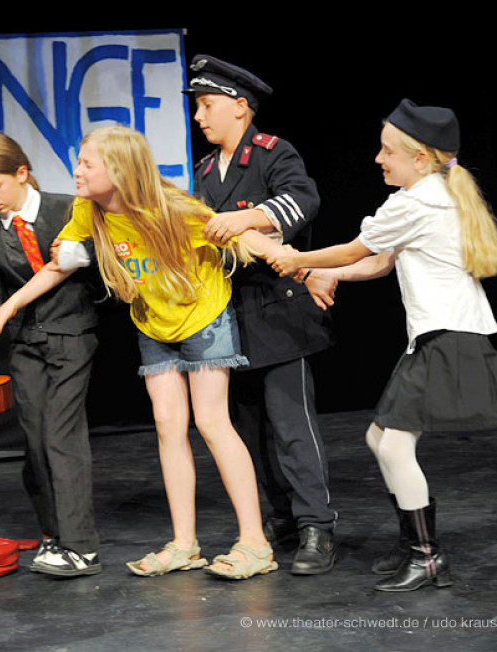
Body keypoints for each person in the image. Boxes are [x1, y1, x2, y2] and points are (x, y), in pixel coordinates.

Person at [0, 126, 289, 580]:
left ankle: (255, 544)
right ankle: (185, 544)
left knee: (211, 421)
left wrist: (306, 268)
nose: (77, 171)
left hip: (202, 317)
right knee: (167, 426)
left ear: (119, 170)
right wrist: (9, 304)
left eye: (87, 164)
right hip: (152, 321)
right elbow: (58, 265)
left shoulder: (171, 208)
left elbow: (247, 239)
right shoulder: (89, 211)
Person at [271, 99, 497, 591]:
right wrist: (322, 272)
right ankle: (413, 543)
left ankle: (427, 555)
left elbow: (357, 249)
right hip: (440, 333)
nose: (378, 159)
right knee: (380, 438)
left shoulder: (416, 202)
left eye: (387, 151)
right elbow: (378, 263)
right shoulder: (426, 195)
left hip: (449, 335)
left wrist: (294, 258)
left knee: (393, 443)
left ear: (419, 158)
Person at [186, 54, 338, 575]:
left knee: (292, 425)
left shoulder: (273, 153)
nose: (200, 116)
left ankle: (317, 524)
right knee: (250, 431)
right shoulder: (205, 171)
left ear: (240, 107)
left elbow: (301, 202)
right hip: (230, 318)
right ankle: (282, 520)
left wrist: (244, 217)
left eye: (207, 105)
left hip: (280, 313)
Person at [0, 133, 102, 577]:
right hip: (25, 345)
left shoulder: (68, 209)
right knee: (37, 441)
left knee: (62, 435)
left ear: (21, 173)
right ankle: (54, 534)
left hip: (72, 334)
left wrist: (83, 254)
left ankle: (82, 546)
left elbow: (108, 252)